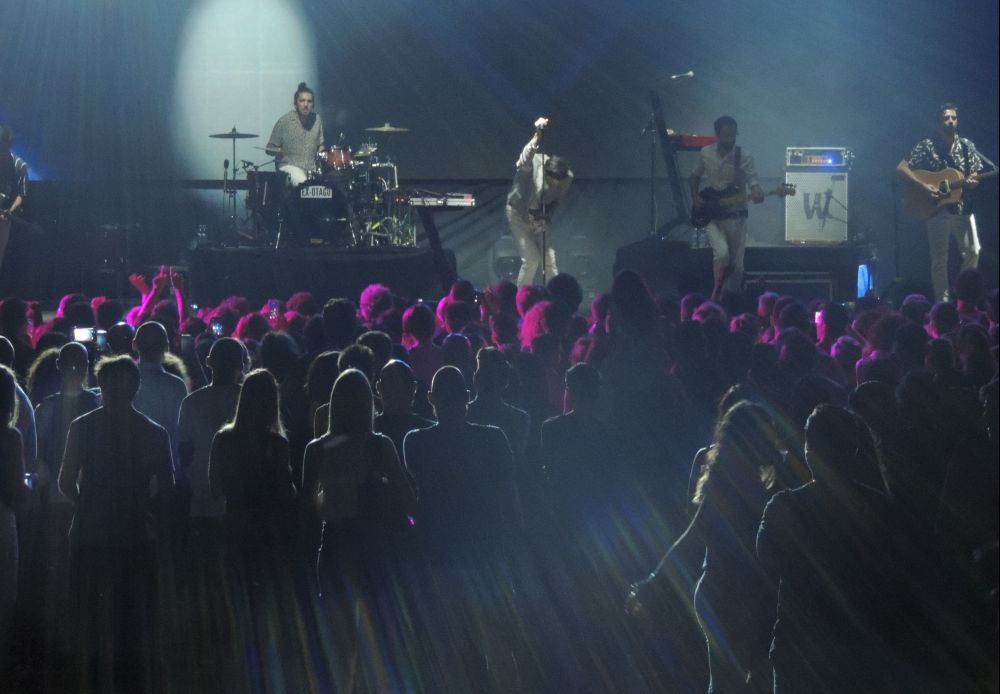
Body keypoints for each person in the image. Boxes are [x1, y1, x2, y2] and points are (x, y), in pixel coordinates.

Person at [897, 102, 992, 301]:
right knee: (940, 259)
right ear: (939, 121)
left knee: (974, 251)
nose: (950, 121)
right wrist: (924, 186)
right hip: (936, 208)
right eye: (946, 118)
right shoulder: (927, 145)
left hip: (963, 206)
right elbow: (902, 168)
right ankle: (943, 302)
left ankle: (965, 297)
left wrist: (972, 182)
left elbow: (974, 176)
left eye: (953, 118)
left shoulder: (967, 146)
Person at [690, 115, 764, 299]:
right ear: (717, 134)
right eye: (726, 135)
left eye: (733, 135)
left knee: (737, 264)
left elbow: (753, 181)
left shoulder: (744, 156)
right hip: (712, 214)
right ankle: (719, 297)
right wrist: (695, 197)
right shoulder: (705, 152)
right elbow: (695, 175)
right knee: (722, 254)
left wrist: (757, 191)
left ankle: (733, 298)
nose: (730, 140)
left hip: (735, 215)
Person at [506, 117, 574, 286]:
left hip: (539, 217)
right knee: (531, 259)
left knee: (550, 260)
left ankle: (555, 296)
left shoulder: (567, 178)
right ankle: (521, 298)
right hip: (518, 214)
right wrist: (538, 135)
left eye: (558, 184)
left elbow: (557, 200)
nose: (555, 186)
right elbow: (525, 156)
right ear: (547, 173)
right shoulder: (533, 165)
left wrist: (546, 214)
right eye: (552, 182)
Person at [266, 81, 325, 187]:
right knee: (303, 183)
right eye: (302, 101)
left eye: (309, 101)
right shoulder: (284, 121)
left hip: (311, 169)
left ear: (313, 105)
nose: (306, 105)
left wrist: (323, 155)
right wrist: (279, 151)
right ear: (295, 104)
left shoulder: (317, 119)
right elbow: (269, 148)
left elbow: (321, 145)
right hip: (289, 167)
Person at [0, 125, 28, 275]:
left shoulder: (19, 166)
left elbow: (21, 195)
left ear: (8, 145)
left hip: (4, 218)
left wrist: (10, 211)